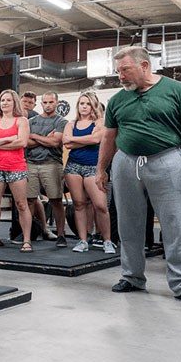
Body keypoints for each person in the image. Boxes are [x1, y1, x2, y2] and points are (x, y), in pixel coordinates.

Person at [96, 46, 181, 300]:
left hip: (167, 159)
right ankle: (132, 277)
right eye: (118, 72)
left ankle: (180, 283)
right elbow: (109, 137)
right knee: (128, 223)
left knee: (175, 223)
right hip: (126, 163)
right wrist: (101, 168)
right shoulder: (117, 100)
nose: (120, 76)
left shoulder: (176, 90)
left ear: (144, 66)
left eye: (125, 70)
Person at [63, 92, 116, 254]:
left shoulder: (100, 122)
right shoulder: (71, 123)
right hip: (73, 167)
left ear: (93, 106)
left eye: (87, 104)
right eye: (81, 104)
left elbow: (96, 140)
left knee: (100, 205)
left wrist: (75, 141)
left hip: (93, 167)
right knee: (79, 204)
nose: (84, 107)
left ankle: (107, 240)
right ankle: (83, 240)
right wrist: (85, 139)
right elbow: (66, 142)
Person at [0, 89, 32, 252]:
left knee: (21, 204)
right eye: (2, 100)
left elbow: (22, 143)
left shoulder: (22, 121)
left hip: (16, 167)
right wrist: (8, 138)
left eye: (8, 100)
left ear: (14, 102)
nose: (5, 103)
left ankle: (26, 241)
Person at [26, 91, 68, 247]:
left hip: (52, 163)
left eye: (51, 102)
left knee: (56, 200)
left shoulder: (61, 121)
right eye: (45, 102)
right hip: (31, 163)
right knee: (29, 200)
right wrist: (44, 138)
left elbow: (55, 142)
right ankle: (27, 237)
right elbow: (26, 142)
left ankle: (61, 235)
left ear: (56, 103)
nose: (48, 105)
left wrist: (35, 136)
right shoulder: (31, 121)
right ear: (41, 103)